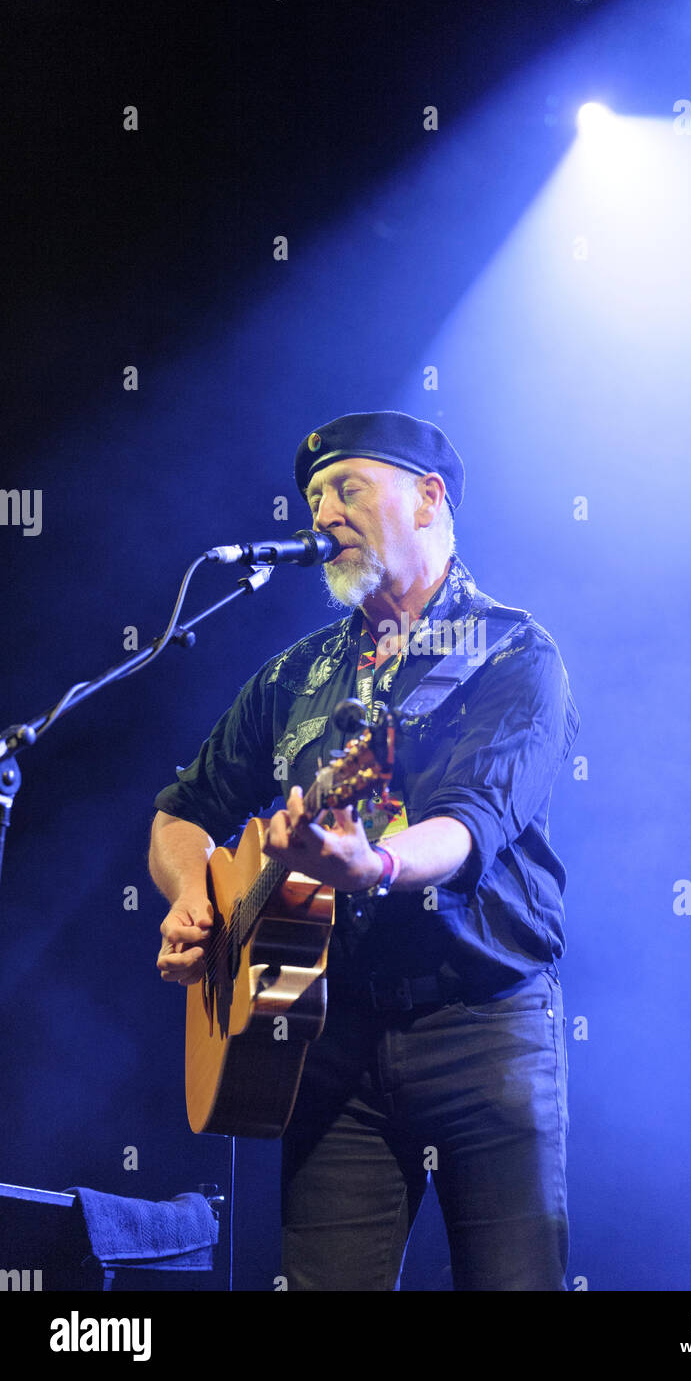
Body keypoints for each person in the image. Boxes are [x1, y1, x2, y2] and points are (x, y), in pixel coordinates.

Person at [151, 409, 580, 1291]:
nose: (322, 513)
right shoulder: (293, 674)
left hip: (481, 1026)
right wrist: (193, 897)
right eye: (313, 496)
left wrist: (374, 865)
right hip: (323, 1035)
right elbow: (180, 811)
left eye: (347, 487)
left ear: (427, 500)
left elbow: (469, 824)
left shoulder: (512, 650)